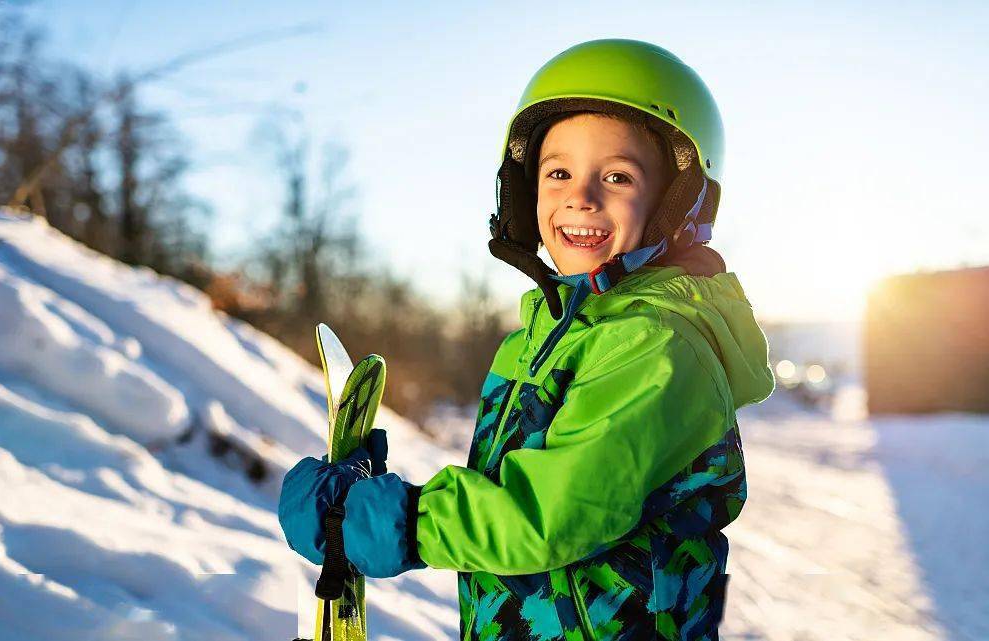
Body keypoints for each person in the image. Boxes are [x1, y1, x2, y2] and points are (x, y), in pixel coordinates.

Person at [279, 39, 775, 640]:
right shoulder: (540, 337)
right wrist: (374, 497)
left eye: (617, 176)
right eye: (558, 172)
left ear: (677, 203)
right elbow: (509, 494)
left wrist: (390, 522)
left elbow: (550, 514)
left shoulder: (657, 347)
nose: (581, 196)